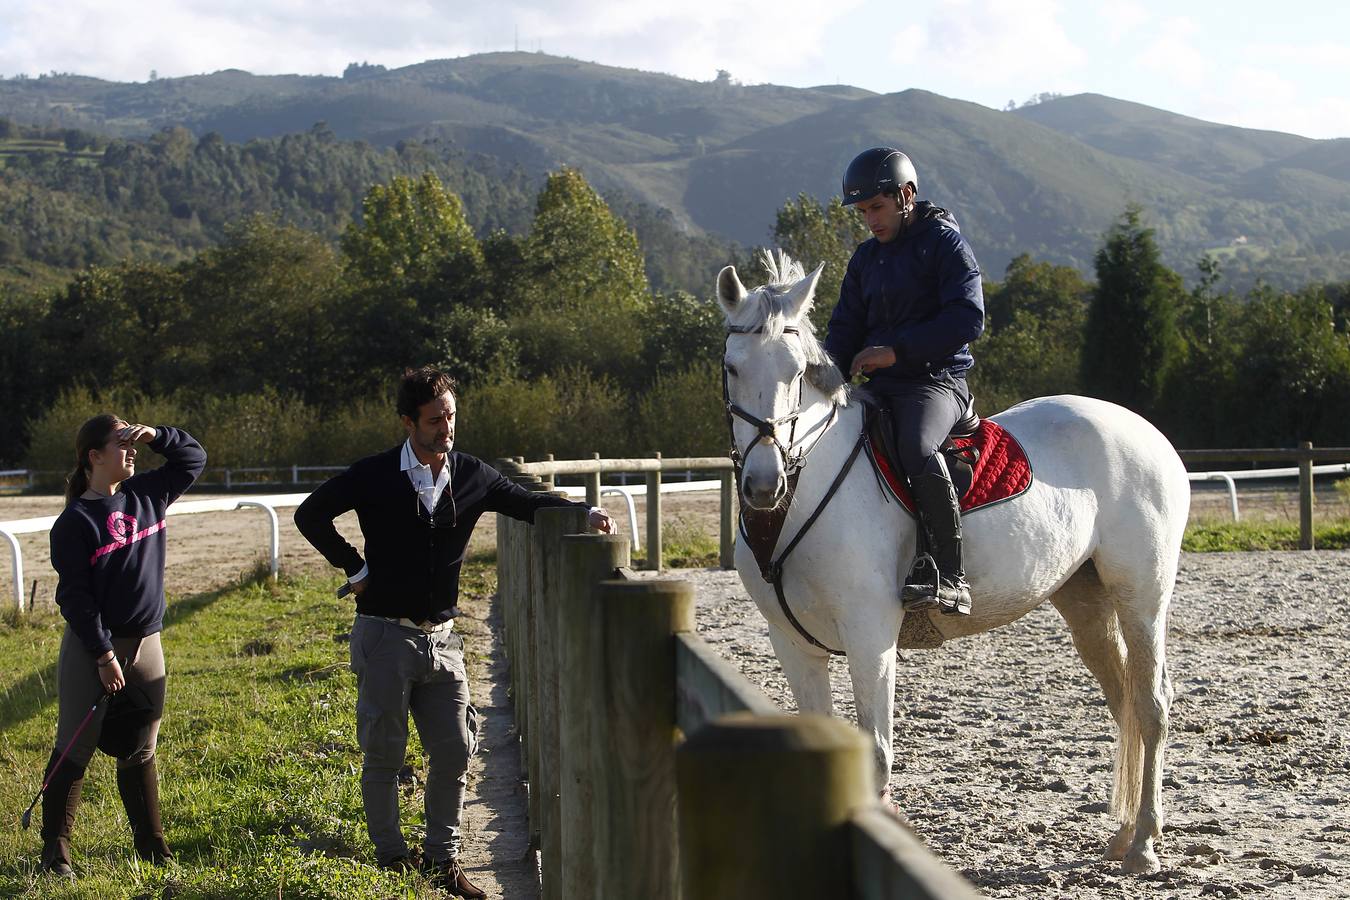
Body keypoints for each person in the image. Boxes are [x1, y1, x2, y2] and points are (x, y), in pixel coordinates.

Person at [294, 365, 614, 898]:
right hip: (383, 636)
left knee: (457, 748)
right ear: (408, 422)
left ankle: (442, 862)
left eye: (451, 416)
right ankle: (392, 859)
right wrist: (356, 570)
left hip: (443, 640)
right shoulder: (373, 474)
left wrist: (582, 510)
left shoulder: (471, 474)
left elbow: (526, 503)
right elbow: (311, 515)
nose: (447, 427)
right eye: (435, 419)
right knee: (384, 754)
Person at [41, 416, 207, 876]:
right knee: (76, 747)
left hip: (147, 644)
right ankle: (55, 853)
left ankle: (152, 846)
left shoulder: (149, 493)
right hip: (94, 649)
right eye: (121, 444)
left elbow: (193, 457)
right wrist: (103, 654)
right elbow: (75, 599)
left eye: (133, 444)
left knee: (142, 747)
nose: (131, 451)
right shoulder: (74, 523)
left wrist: (156, 435)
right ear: (94, 457)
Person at [825, 147, 985, 616]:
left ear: (906, 194)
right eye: (862, 211)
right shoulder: (864, 259)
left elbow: (968, 317)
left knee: (914, 445)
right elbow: (844, 329)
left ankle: (952, 575)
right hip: (881, 385)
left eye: (876, 207)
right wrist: (824, 375)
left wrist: (896, 351)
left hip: (938, 381)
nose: (870, 219)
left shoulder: (946, 245)